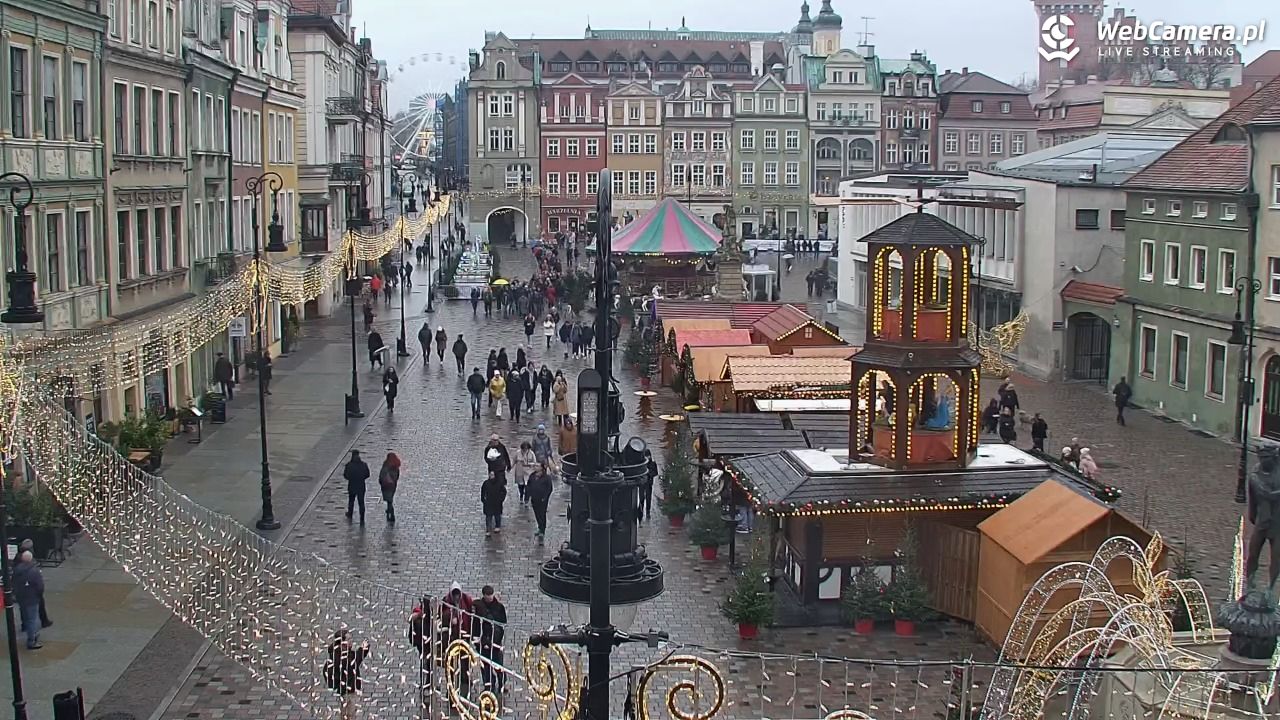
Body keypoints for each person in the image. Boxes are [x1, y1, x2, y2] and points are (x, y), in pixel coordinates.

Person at [325, 629, 369, 719]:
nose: (351, 641)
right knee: (349, 715)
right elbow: (354, 662)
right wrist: (362, 649)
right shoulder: (340, 656)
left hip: (348, 689)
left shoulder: (342, 652)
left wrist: (363, 649)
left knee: (348, 713)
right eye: (348, 639)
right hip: (347, 691)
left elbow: (355, 659)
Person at [474, 585, 508, 694]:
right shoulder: (478, 606)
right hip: (482, 641)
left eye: (491, 595)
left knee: (498, 664)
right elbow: (475, 623)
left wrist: (496, 641)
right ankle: (489, 685)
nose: (489, 598)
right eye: (487, 596)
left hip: (495, 641)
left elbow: (503, 624)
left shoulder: (499, 607)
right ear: (484, 595)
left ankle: (501, 682)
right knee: (485, 666)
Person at [12, 550, 44, 649]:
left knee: (24, 613)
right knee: (32, 619)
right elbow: (40, 586)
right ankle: (31, 640)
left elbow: (13, 582)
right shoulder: (34, 571)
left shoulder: (17, 569)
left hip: (21, 596)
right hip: (31, 598)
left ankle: (24, 626)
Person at [343, 449, 370, 524]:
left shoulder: (349, 465)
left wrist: (351, 478)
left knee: (351, 500)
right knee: (361, 502)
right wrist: (361, 478)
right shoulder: (364, 465)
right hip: (361, 486)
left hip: (352, 485)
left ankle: (350, 513)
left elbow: (345, 475)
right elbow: (367, 474)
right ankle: (362, 517)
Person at [527, 462, 553, 538]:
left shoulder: (546, 477)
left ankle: (542, 529)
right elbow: (529, 485)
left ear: (541, 468)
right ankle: (539, 527)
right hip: (534, 498)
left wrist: (545, 497)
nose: (536, 467)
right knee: (537, 514)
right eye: (535, 466)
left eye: (537, 466)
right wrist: (528, 495)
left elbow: (549, 488)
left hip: (542, 500)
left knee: (542, 514)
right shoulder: (532, 476)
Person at [482, 470, 507, 537]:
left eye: (492, 475)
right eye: (490, 475)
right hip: (489, 503)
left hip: (497, 502)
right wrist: (484, 500)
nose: (491, 476)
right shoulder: (486, 483)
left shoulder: (499, 483)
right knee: (488, 517)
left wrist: (501, 499)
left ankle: (497, 526)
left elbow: (504, 492)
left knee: (497, 515)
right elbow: (483, 492)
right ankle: (488, 529)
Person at [379, 451, 401, 523]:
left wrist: (381, 482)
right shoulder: (396, 466)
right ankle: (390, 512)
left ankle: (391, 513)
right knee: (390, 498)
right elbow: (397, 476)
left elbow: (382, 475)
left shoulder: (386, 465)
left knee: (389, 500)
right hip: (393, 485)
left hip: (386, 485)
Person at [513, 441, 537, 505]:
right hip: (519, 472)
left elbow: (535, 462)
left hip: (528, 472)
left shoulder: (531, 453)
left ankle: (526, 500)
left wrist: (528, 464)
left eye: (526, 448)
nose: (525, 449)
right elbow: (514, 461)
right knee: (520, 486)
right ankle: (521, 496)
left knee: (528, 487)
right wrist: (510, 467)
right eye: (524, 448)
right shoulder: (518, 453)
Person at [640, 452, 657, 522]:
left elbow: (655, 472)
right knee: (641, 497)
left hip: (649, 483)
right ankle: (640, 511)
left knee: (648, 497)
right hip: (642, 483)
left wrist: (649, 474)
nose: (648, 457)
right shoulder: (642, 464)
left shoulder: (652, 464)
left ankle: (648, 511)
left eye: (648, 456)